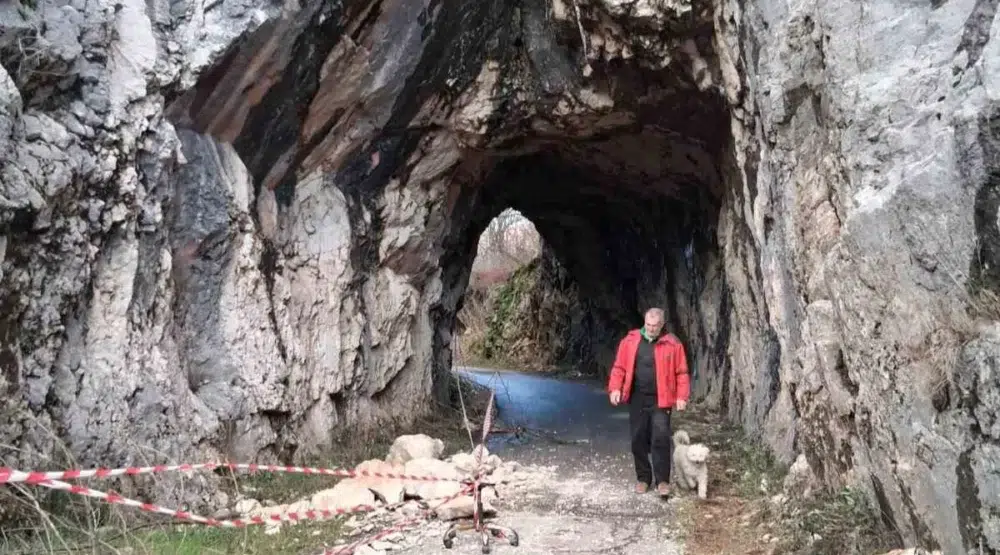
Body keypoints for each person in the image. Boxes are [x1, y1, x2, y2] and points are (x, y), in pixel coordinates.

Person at [607, 307, 690, 496]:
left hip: (661, 399)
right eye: (648, 325)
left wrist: (681, 397)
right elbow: (619, 367)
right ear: (644, 323)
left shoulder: (672, 343)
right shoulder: (630, 341)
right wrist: (615, 388)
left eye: (655, 326)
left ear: (662, 325)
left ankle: (662, 481)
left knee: (660, 438)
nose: (651, 329)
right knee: (638, 438)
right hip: (637, 397)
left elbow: (681, 372)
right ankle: (643, 478)